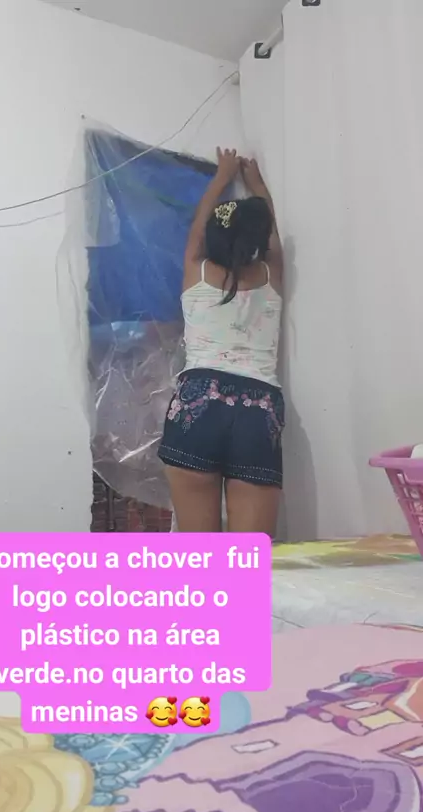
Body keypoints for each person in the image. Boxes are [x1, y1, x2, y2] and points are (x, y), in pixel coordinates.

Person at [158, 148, 284, 533]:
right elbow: (272, 238)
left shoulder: (196, 270)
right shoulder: (270, 275)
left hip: (198, 401)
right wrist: (257, 185)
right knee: (249, 559)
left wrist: (221, 176)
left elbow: (197, 232)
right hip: (257, 407)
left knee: (202, 556)